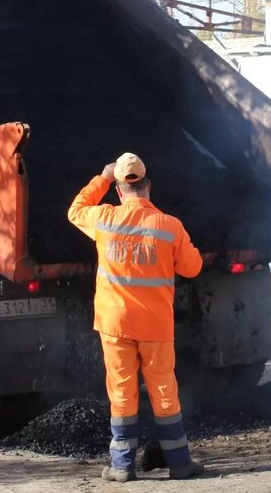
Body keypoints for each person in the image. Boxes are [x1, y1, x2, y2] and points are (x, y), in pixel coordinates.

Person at [67, 153, 207, 482]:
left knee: (121, 391)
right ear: (149, 187)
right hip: (155, 325)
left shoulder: (104, 219)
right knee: (164, 390)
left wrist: (100, 178)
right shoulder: (169, 226)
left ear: (118, 191)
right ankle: (179, 463)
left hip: (115, 324)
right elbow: (194, 267)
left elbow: (74, 211)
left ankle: (121, 466)